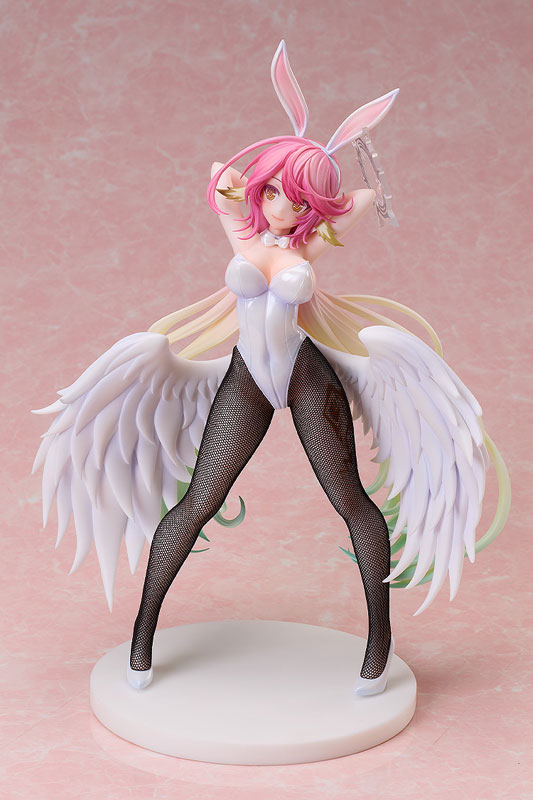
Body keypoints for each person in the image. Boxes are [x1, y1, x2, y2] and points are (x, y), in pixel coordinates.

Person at [33, 42, 508, 697]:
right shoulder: (242, 232)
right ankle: (141, 640)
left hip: (308, 379)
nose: (286, 207)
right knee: (195, 504)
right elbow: (219, 176)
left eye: (302, 199)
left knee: (351, 503)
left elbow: (362, 198)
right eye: (279, 192)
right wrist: (285, 156)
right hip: (247, 380)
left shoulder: (309, 243)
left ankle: (378, 645)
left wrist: (334, 166)